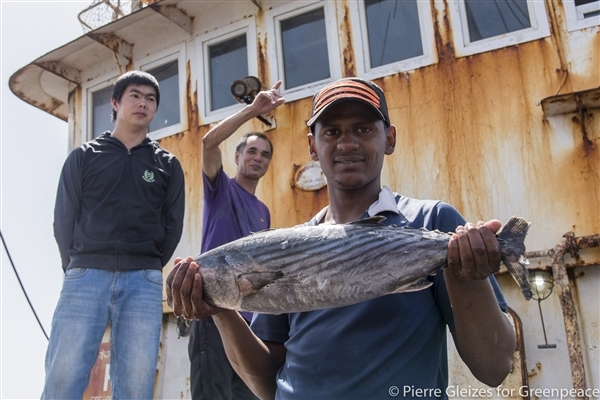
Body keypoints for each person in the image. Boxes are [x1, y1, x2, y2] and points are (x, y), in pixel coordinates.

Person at [167, 77, 516, 400]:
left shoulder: (432, 221)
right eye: (331, 132)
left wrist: (468, 279)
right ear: (313, 147)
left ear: (389, 138)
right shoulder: (286, 246)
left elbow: (493, 368)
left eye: (363, 129)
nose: (347, 143)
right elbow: (266, 385)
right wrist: (221, 311)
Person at [42, 70, 185, 399]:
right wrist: (77, 265)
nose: (143, 103)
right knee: (63, 378)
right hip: (85, 276)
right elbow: (63, 218)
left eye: (151, 99)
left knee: (136, 384)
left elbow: (172, 224)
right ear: (116, 102)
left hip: (143, 281)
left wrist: (147, 263)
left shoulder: (168, 164)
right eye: (135, 95)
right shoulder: (83, 157)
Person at [187, 80, 285, 399]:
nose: (258, 158)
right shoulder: (220, 189)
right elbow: (208, 143)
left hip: (249, 323)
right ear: (239, 156)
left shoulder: (263, 211)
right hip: (213, 312)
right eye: (252, 151)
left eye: (265, 155)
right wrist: (253, 110)